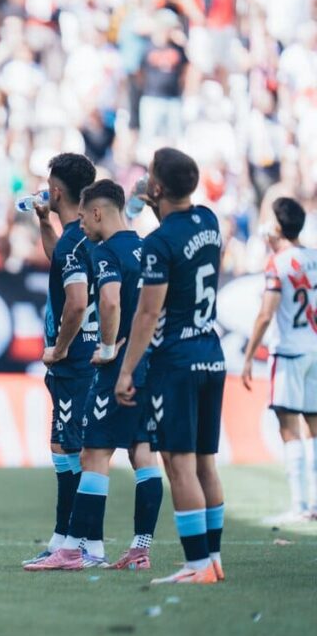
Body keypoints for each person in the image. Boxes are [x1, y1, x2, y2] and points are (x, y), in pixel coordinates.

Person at [25, 179, 162, 572]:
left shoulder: (105, 252)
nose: (80, 224)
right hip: (149, 364)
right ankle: (140, 547)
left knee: (93, 454)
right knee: (142, 453)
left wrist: (107, 347)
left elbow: (109, 300)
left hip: (117, 368)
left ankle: (78, 549)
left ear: (97, 212)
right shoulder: (146, 247)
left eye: (83, 217)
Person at [116, 147, 226, 585]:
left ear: (157, 187)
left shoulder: (159, 243)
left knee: (178, 464)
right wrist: (154, 198)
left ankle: (196, 565)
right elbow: (182, 235)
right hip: (211, 353)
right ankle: (213, 560)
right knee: (205, 463)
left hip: (175, 360)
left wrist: (127, 369)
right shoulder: (211, 222)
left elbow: (147, 314)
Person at [23, 153, 98, 567]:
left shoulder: (76, 238)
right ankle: (65, 537)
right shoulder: (81, 234)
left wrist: (61, 347)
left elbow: (75, 304)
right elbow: (60, 260)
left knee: (72, 446)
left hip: (75, 356)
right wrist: (42, 222)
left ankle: (76, 540)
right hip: (88, 352)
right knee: (66, 444)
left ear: (55, 190)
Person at [242, 197, 317, 525]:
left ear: (277, 226)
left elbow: (265, 315)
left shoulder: (278, 263)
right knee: (314, 427)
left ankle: (300, 505)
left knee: (289, 428)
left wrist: (247, 357)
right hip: (315, 349)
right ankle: (314, 503)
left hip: (288, 352)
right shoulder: (315, 257)